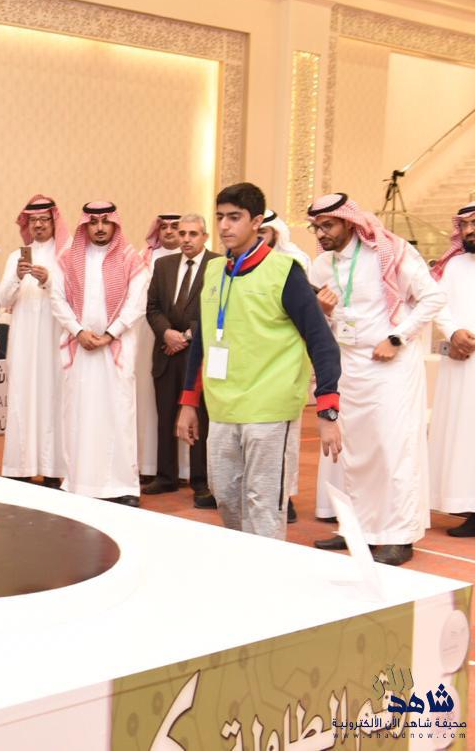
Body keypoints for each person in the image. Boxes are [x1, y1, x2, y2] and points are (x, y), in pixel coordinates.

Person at [177, 183, 341, 541]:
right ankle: (247, 566)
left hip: (270, 408)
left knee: (264, 505)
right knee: (226, 498)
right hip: (222, 406)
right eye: (220, 217)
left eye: (234, 217)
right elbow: (203, 339)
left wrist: (328, 410)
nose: (224, 226)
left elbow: (322, 341)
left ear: (255, 222)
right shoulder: (213, 270)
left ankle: (268, 573)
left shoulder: (285, 272)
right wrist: (189, 402)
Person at [307, 193, 444, 565]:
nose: (321, 234)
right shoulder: (322, 266)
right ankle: (359, 530)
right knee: (355, 452)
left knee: (392, 448)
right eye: (316, 227)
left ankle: (398, 536)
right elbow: (321, 322)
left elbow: (433, 298)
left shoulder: (390, 253)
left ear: (349, 222)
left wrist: (397, 338)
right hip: (348, 366)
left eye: (328, 225)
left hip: (391, 365)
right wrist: (324, 311)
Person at [51, 202, 149, 504]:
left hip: (115, 349)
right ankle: (80, 481)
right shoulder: (68, 259)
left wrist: (110, 334)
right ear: (85, 226)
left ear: (115, 224)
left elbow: (136, 303)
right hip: (80, 349)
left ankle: (123, 486)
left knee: (119, 415)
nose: (100, 228)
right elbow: (57, 299)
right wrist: (79, 331)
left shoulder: (130, 259)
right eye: (93, 222)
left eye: (106, 222)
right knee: (79, 415)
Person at [143, 214, 217, 506]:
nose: (186, 239)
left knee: (200, 418)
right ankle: (166, 476)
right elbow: (152, 307)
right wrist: (167, 334)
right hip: (166, 352)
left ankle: (201, 480)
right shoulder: (163, 265)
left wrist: (186, 336)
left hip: (199, 354)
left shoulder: (218, 265)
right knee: (165, 415)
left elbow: (217, 310)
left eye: (193, 234)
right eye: (182, 233)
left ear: (204, 237)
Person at [0, 195, 69, 486]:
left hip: (54, 337)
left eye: (44, 220)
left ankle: (53, 470)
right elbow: (2, 299)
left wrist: (49, 280)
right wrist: (17, 277)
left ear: (54, 221)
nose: (38, 225)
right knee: (22, 398)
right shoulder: (16, 256)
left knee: (53, 398)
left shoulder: (66, 255)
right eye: (33, 220)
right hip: (24, 339)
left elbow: (74, 296)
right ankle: (21, 467)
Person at [429, 201, 475, 536]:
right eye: (465, 225)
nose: (469, 231)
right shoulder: (454, 265)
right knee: (466, 435)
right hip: (461, 360)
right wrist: (454, 333)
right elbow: (437, 305)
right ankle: (473, 507)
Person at [260, 208, 315, 524]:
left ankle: (285, 496)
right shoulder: (236, 262)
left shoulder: (294, 262)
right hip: (252, 363)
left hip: (285, 361)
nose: (258, 239)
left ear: (276, 233)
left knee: (284, 438)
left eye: (264, 233)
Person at [135, 213, 182, 486]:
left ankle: (185, 469)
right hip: (148, 335)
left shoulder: (194, 260)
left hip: (183, 337)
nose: (169, 232)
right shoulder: (145, 258)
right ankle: (148, 464)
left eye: (175, 227)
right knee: (148, 401)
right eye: (163, 227)